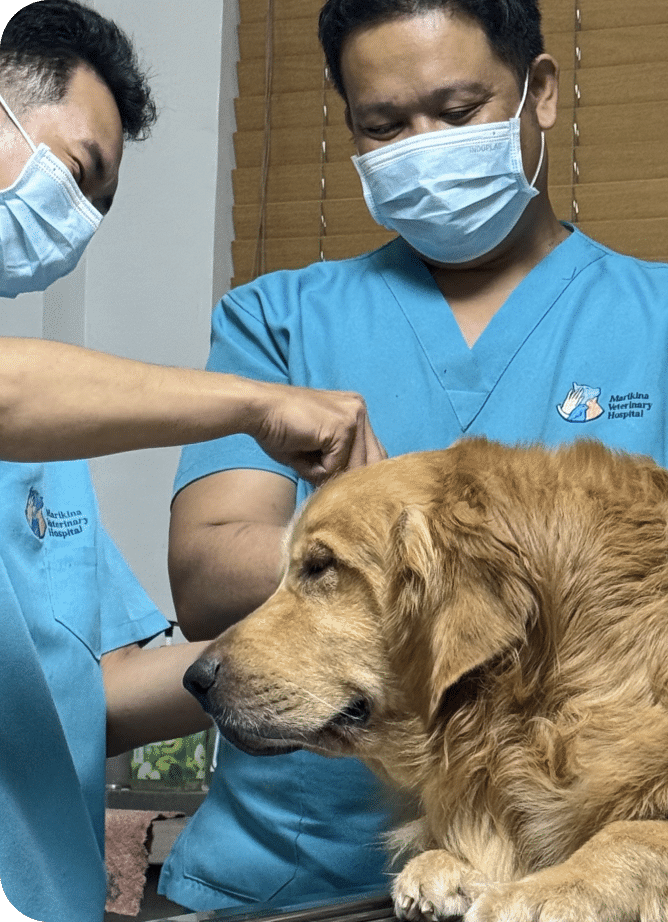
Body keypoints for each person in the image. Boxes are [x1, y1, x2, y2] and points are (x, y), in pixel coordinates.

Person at [161, 0, 668, 910]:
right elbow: (210, 565)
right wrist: (391, 556)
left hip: (576, 879)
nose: (423, 146)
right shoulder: (279, 321)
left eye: (456, 110)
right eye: (384, 125)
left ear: (541, 93)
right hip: (283, 882)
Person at [0, 4, 384, 921]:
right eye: (77, 174)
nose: (80, 223)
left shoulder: (52, 456)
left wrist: (298, 662)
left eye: (102, 204)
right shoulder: (29, 403)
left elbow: (85, 695)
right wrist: (259, 401)